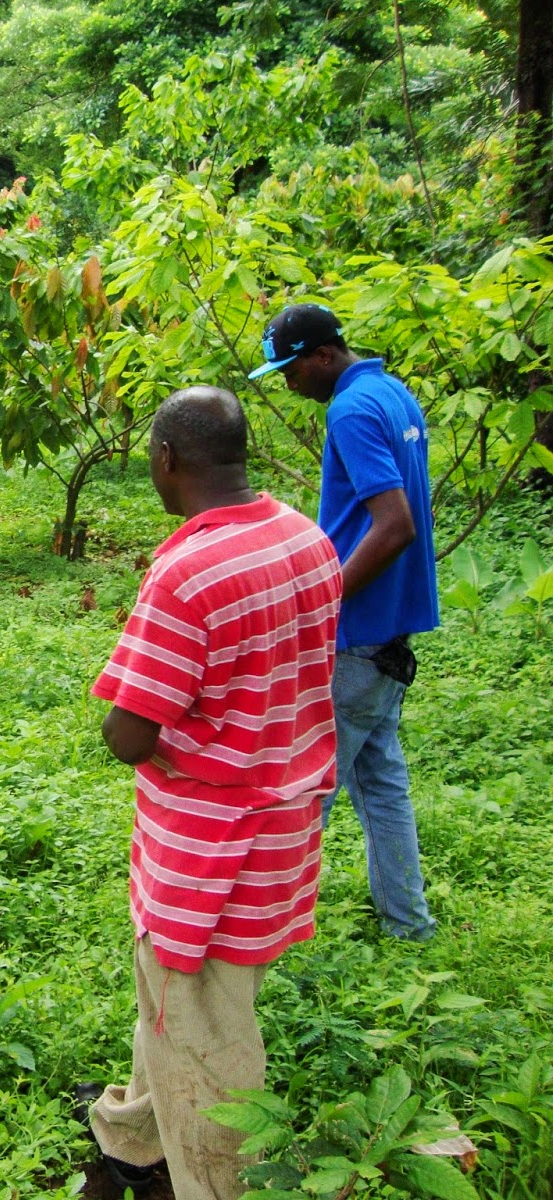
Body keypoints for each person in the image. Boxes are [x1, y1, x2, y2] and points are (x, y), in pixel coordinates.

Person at [82, 388, 342, 1199]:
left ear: (165, 460)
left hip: (209, 855)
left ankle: (214, 1184)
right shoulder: (304, 537)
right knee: (183, 1008)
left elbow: (130, 735)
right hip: (281, 835)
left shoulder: (188, 574)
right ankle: (130, 1144)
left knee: (209, 1043)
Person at [250, 303, 439, 941]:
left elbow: (395, 526)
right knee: (381, 780)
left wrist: (323, 597)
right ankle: (408, 924)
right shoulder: (392, 393)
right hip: (389, 630)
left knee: (308, 791)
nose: (287, 382)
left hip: (357, 635)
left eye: (290, 368)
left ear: (322, 356)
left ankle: (259, 932)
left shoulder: (351, 409)